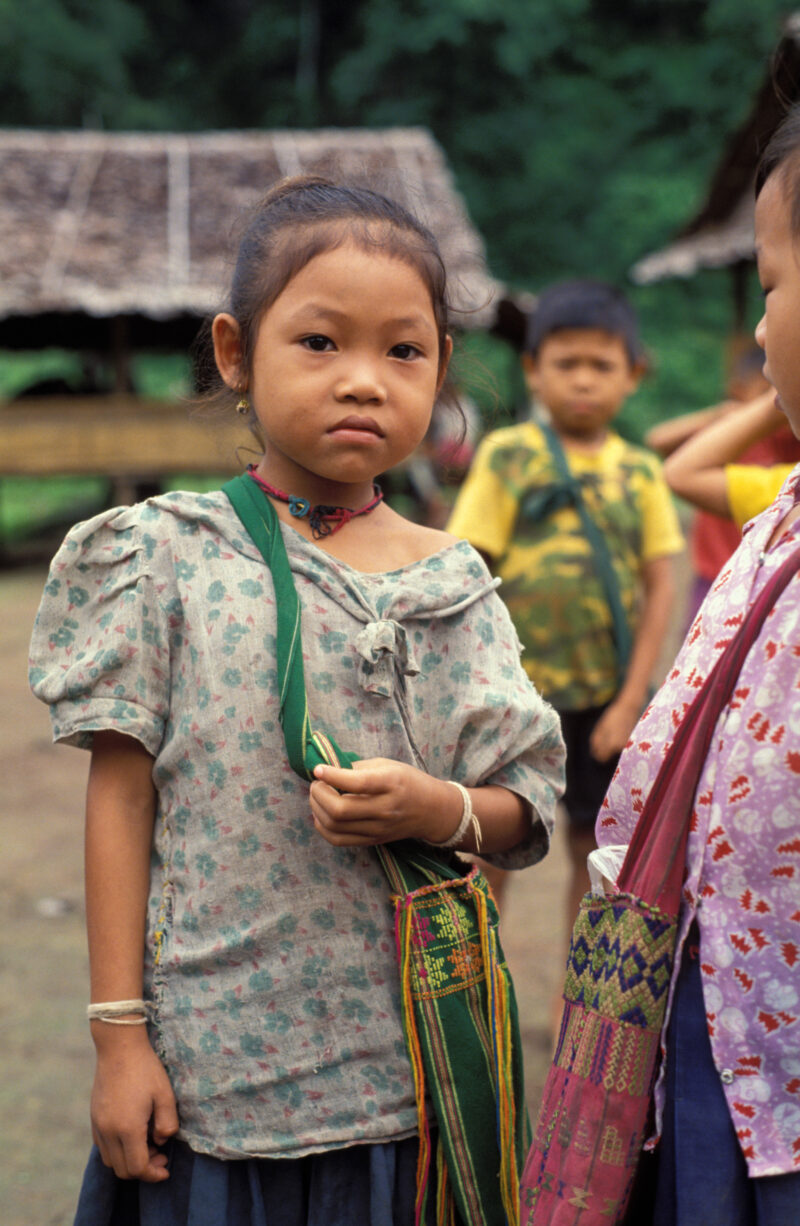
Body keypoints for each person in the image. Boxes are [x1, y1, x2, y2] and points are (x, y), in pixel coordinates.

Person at [28, 177, 565, 1225]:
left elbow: (524, 804)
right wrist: (117, 1036)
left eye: (402, 352)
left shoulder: (449, 579)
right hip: (208, 1068)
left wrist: (433, 808)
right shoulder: (163, 557)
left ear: (441, 370)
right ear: (235, 353)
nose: (363, 381)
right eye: (319, 343)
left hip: (402, 1080)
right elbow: (121, 801)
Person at [596, 105, 800, 1223]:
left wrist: (763, 398)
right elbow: (673, 464)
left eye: (767, 289)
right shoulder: (780, 505)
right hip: (726, 1029)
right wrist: (767, 391)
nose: (758, 331)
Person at [446, 280, 683, 952]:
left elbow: (662, 585)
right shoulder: (508, 455)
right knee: (494, 840)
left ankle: (572, 1010)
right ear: (533, 370)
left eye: (601, 365)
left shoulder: (640, 472)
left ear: (632, 374)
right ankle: (477, 987)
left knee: (593, 847)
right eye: (566, 363)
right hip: (517, 699)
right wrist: (482, 686)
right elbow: (470, 567)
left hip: (604, 697)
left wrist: (631, 700)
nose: (583, 380)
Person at [646, 350, 800, 624]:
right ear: (738, 391)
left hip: (761, 576)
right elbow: (658, 440)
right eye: (766, 390)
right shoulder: (726, 434)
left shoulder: (791, 445)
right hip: (714, 572)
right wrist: (724, 414)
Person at [662, 385, 797, 530]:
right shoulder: (726, 427)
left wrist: (775, 403)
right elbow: (659, 440)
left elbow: (680, 474)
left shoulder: (784, 447)